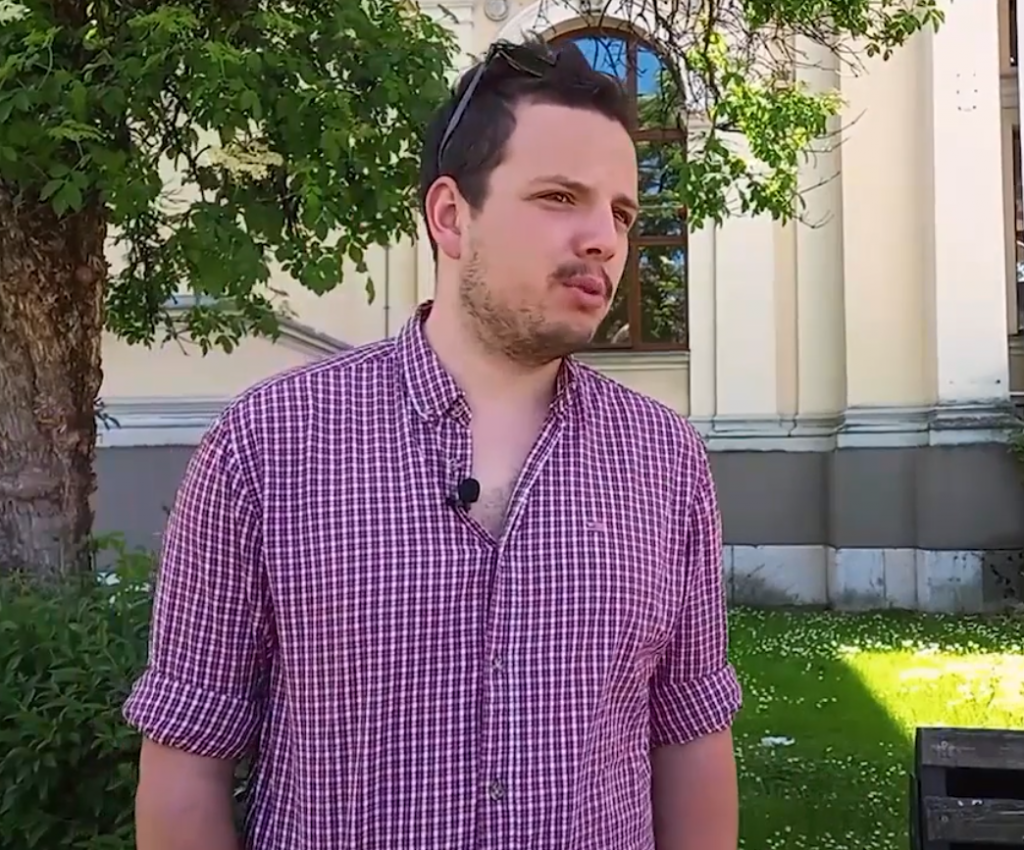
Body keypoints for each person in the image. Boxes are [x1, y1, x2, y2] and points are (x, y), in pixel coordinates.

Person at [124, 36, 742, 850]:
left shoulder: (664, 459)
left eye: (623, 212)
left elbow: (691, 735)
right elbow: (186, 759)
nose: (605, 238)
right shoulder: (268, 446)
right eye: (561, 196)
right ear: (451, 216)